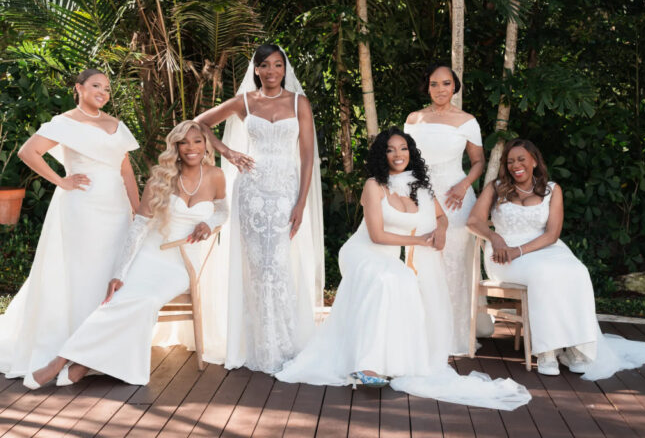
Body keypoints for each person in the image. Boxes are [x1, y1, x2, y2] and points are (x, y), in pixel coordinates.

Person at [277, 129, 531, 411]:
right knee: (388, 280)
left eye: (403, 148)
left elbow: (441, 217)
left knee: (403, 280)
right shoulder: (374, 185)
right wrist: (420, 240)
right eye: (390, 149)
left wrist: (441, 231)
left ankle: (394, 360)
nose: (398, 154)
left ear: (411, 153)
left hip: (389, 257)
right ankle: (367, 366)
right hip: (362, 252)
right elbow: (376, 235)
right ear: (382, 155)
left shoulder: (419, 187)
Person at [0, 69, 140, 378]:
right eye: (96, 85)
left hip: (116, 209)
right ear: (79, 88)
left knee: (110, 271)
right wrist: (62, 181)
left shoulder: (116, 125)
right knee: (82, 273)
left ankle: (98, 349)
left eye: (107, 88)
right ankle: (71, 347)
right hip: (82, 208)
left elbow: (127, 171)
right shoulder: (64, 123)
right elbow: (28, 152)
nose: (103, 92)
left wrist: (137, 210)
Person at [24, 121, 228, 387]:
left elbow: (223, 211)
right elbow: (139, 227)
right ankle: (61, 360)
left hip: (184, 262)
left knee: (147, 300)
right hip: (150, 254)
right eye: (184, 142)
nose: (191, 148)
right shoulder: (161, 179)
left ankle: (82, 362)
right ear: (175, 147)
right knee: (119, 299)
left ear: (205, 145)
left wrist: (209, 224)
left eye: (197, 141)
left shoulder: (215, 176)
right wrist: (120, 272)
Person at [467, 138, 645, 378]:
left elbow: (552, 234)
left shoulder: (552, 189)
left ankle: (575, 348)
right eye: (510, 161)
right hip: (503, 257)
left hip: (543, 248)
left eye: (521, 159)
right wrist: (495, 237)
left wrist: (520, 250)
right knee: (543, 274)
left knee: (577, 271)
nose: (515, 165)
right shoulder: (496, 187)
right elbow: (473, 221)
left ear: (534, 161)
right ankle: (547, 351)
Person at [194, 44, 324, 374]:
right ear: (255, 69)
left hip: (285, 192)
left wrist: (301, 202)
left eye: (277, 65)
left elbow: (307, 156)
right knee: (256, 268)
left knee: (278, 265)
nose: (271, 71)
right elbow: (199, 123)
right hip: (251, 192)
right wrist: (228, 152)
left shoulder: (299, 102)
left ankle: (285, 343)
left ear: (284, 68)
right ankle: (257, 345)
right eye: (264, 65)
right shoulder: (245, 101)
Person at [404, 63, 494, 355]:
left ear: (454, 86)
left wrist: (464, 185)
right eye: (434, 84)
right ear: (427, 87)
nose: (440, 89)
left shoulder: (467, 121)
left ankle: (454, 334)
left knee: (454, 263)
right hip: (421, 196)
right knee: (422, 259)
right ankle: (422, 332)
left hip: (456, 197)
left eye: (446, 83)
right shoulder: (414, 119)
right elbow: (405, 162)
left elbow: (478, 161)